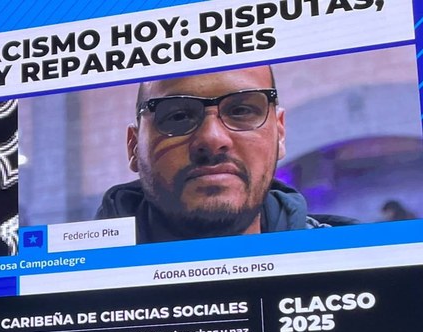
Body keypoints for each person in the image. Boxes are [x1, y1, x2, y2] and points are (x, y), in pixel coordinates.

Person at [96, 66, 355, 242]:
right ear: (133, 146)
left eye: (242, 111)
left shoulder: (363, 266)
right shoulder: (64, 280)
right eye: (177, 116)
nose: (212, 139)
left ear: (280, 133)